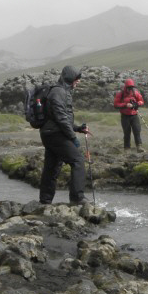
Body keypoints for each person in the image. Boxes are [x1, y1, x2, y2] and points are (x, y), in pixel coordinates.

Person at [38, 64, 89, 205]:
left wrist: (77, 128)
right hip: (55, 135)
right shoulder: (59, 92)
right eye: (77, 78)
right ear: (70, 78)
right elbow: (61, 118)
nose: (78, 81)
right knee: (78, 160)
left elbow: (61, 118)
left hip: (50, 134)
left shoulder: (60, 91)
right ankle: (77, 198)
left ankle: (45, 201)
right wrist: (73, 138)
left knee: (52, 167)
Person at [113, 78, 145, 151]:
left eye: (131, 87)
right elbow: (116, 104)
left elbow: (141, 101)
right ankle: (127, 148)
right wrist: (125, 105)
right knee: (127, 132)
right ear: (126, 87)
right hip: (125, 116)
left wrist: (135, 104)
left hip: (134, 115)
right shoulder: (120, 94)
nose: (130, 89)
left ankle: (139, 146)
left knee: (137, 130)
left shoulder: (135, 93)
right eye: (129, 87)